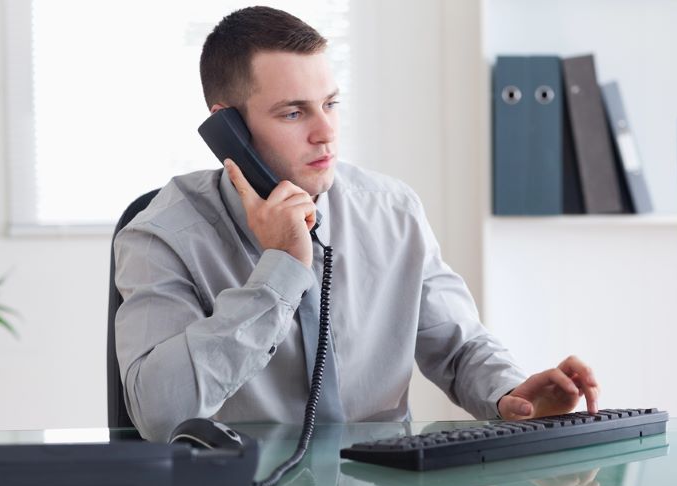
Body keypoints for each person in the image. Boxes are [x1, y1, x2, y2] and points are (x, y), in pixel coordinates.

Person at [114, 6, 600, 442]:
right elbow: (160, 413)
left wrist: (510, 395)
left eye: (330, 103)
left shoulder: (391, 210)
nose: (325, 132)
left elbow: (458, 345)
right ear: (227, 129)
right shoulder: (161, 235)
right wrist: (280, 270)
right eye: (293, 112)